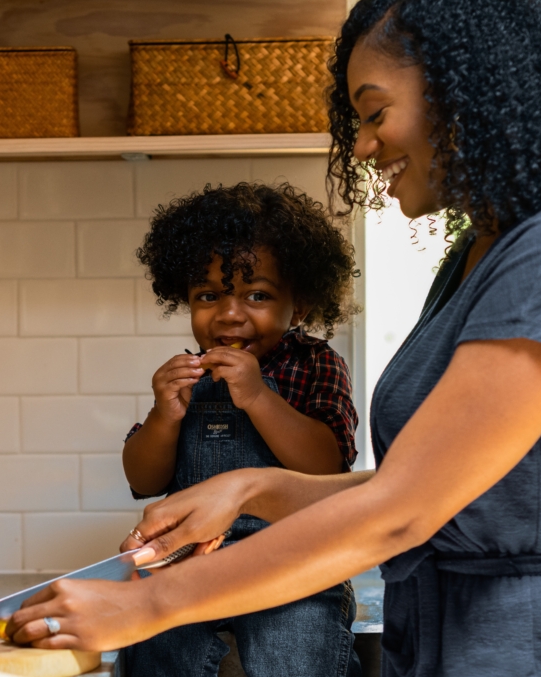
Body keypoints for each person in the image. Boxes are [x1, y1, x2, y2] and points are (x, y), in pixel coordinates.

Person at [6, 0, 541, 675]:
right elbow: (430, 489)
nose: (362, 146)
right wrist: (251, 487)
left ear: (463, 96)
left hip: (536, 644)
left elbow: (402, 512)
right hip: (458, 638)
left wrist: (147, 604)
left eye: (375, 113)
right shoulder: (479, 255)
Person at [118, 182, 361, 676]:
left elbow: (329, 466)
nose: (229, 313)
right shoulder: (189, 374)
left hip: (294, 558)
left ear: (303, 304)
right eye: (208, 296)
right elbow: (144, 480)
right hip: (190, 557)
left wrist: (257, 397)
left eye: (257, 295)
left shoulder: (317, 363)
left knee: (296, 642)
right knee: (153, 639)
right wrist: (165, 416)